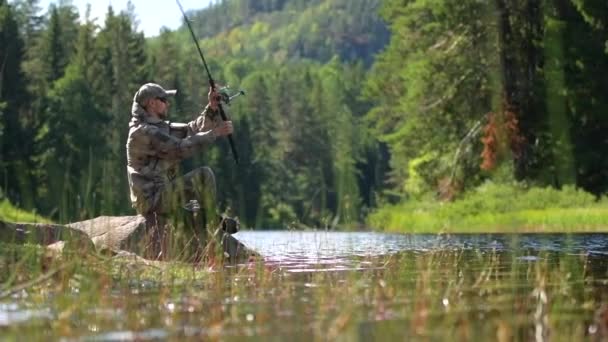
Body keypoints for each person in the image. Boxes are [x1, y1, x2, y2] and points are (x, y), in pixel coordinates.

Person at [126, 83, 237, 259]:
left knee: (196, 207)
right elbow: (179, 148)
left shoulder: (159, 127)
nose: (168, 104)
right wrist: (215, 133)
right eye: (164, 100)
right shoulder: (142, 133)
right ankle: (213, 228)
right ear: (152, 103)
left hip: (164, 194)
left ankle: (210, 222)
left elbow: (191, 130)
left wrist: (212, 108)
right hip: (151, 200)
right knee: (203, 175)